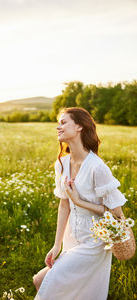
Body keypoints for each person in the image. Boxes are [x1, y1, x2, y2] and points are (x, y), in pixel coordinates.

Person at [33, 107, 127, 300]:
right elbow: (64, 205)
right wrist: (56, 245)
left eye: (63, 122)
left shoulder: (97, 168)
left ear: (79, 127)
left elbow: (116, 213)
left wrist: (80, 201)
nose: (58, 127)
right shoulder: (62, 164)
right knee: (41, 282)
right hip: (71, 237)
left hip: (94, 241)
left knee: (47, 283)